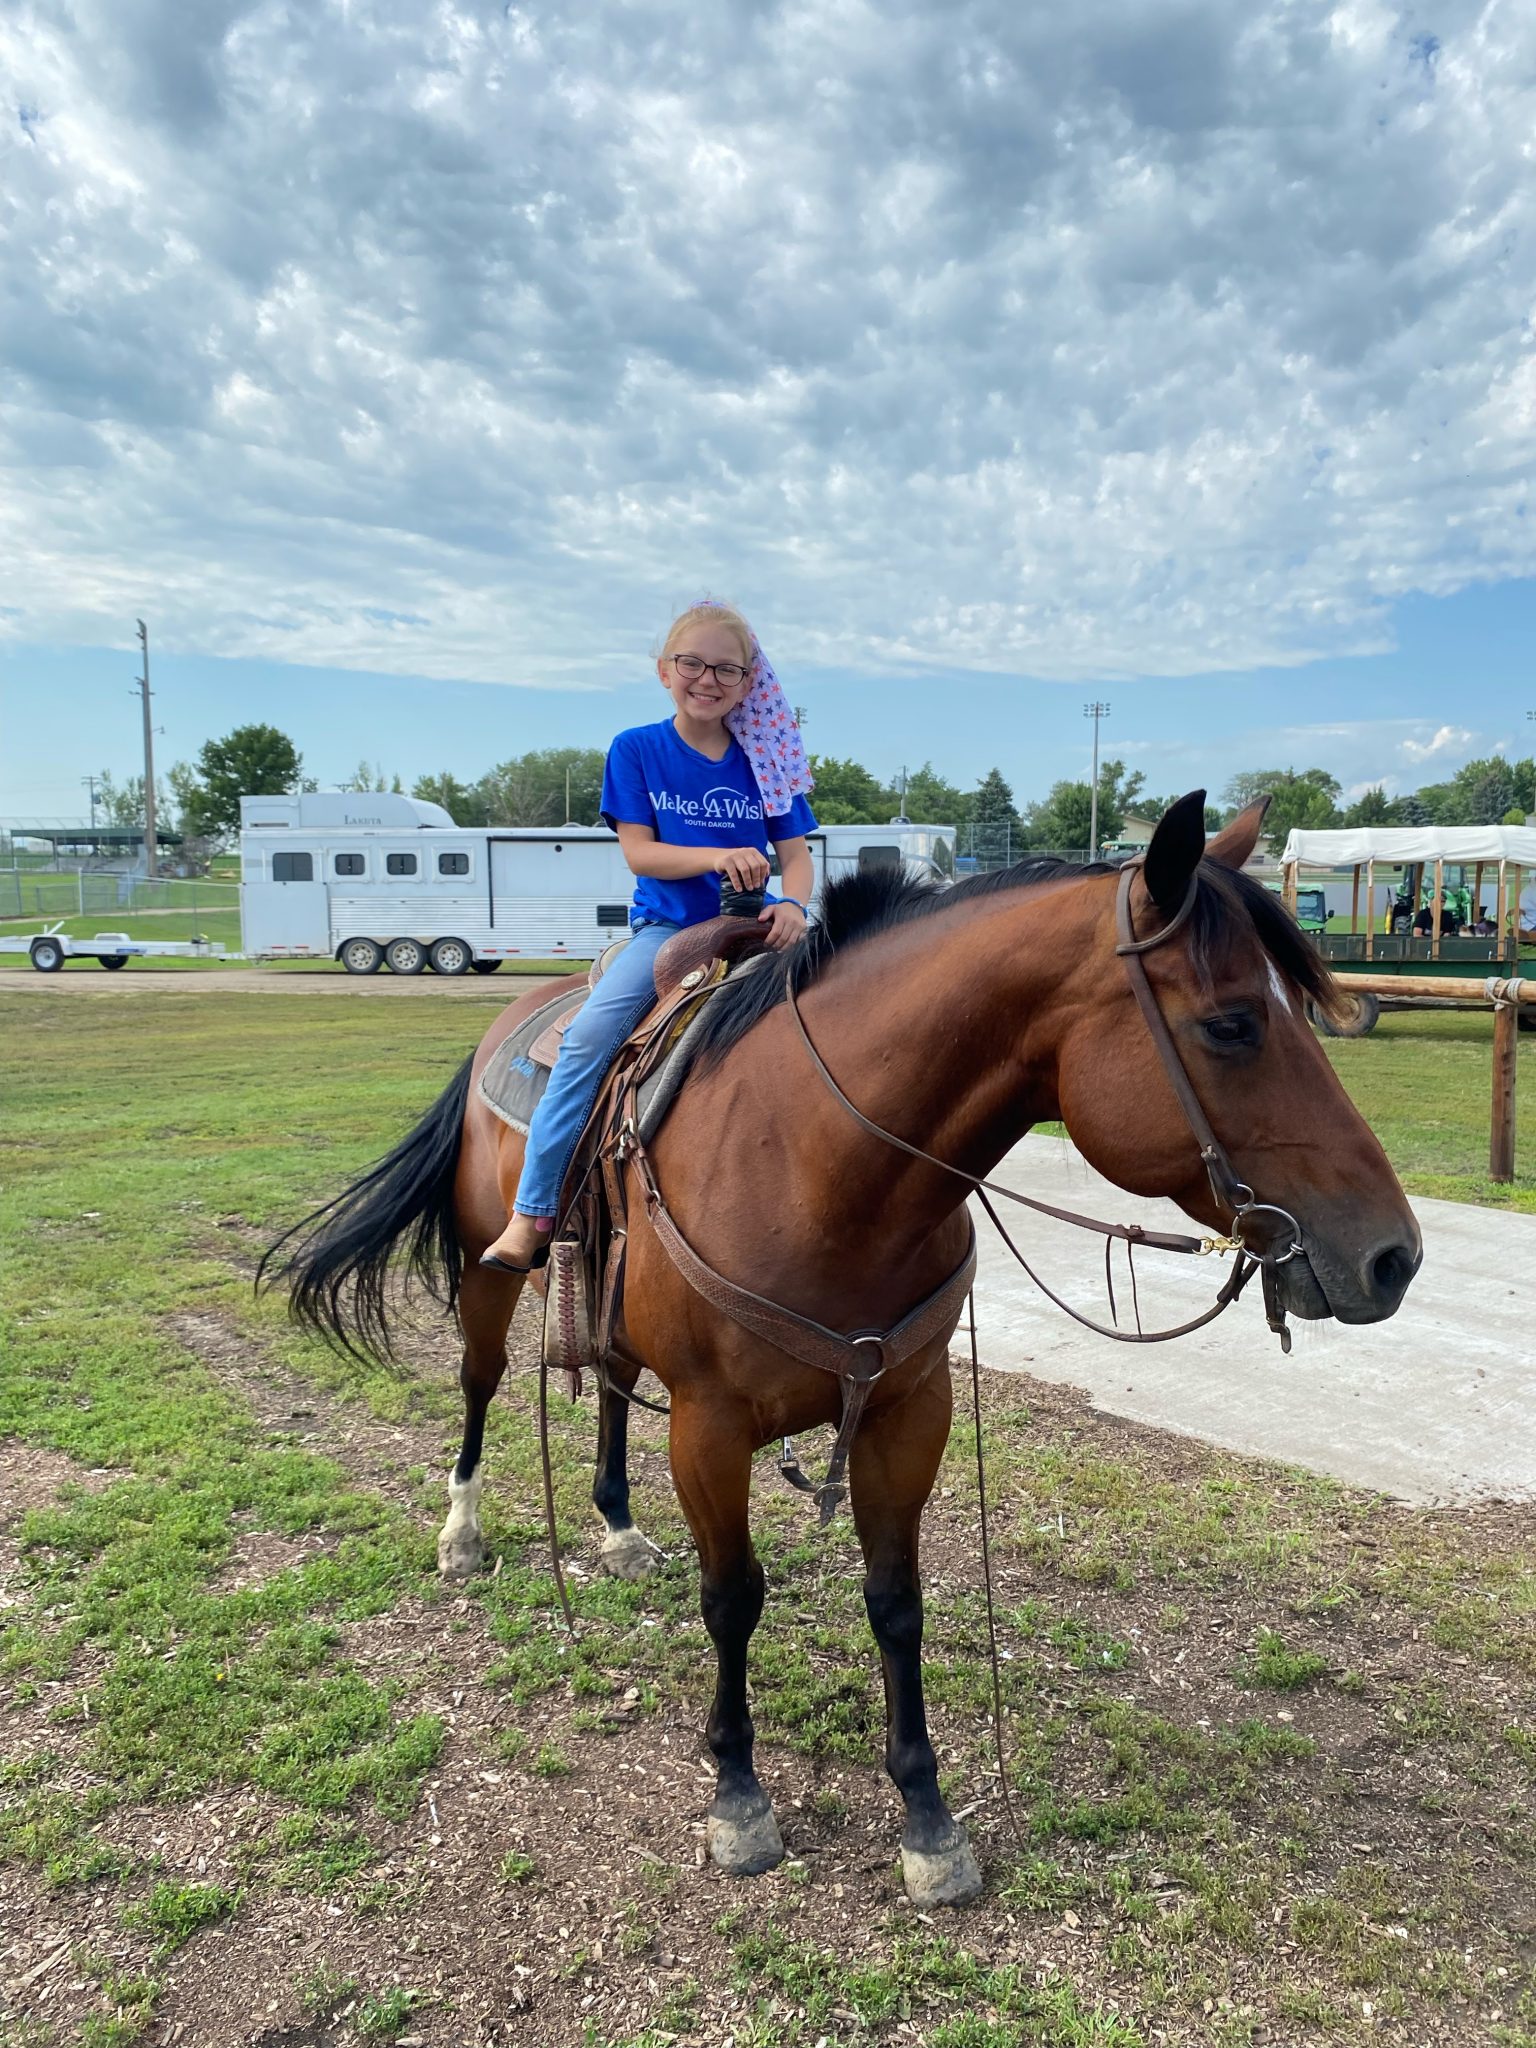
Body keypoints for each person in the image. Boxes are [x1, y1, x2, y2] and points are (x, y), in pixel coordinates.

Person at [480, 600, 817, 1273]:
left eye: (727, 668)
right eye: (693, 663)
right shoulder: (638, 749)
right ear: (665, 671)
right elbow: (640, 853)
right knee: (587, 1043)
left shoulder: (766, 760)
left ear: (749, 682)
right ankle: (532, 1211)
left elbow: (798, 857)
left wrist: (795, 907)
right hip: (668, 933)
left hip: (758, 930)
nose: (708, 679)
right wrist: (717, 857)